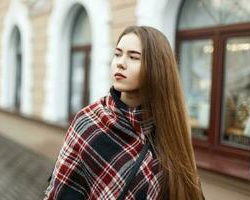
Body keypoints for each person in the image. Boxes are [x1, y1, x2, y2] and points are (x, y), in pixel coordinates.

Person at [44, 26, 204, 200]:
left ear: (157, 68)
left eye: (133, 57)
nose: (120, 62)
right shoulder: (89, 122)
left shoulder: (170, 128)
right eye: (118, 54)